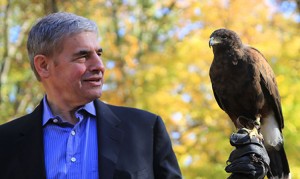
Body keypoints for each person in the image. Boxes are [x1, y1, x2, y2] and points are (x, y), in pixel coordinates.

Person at [0, 12, 182, 179]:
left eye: (99, 53)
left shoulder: (145, 129)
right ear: (44, 66)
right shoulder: (5, 142)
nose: (99, 65)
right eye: (83, 56)